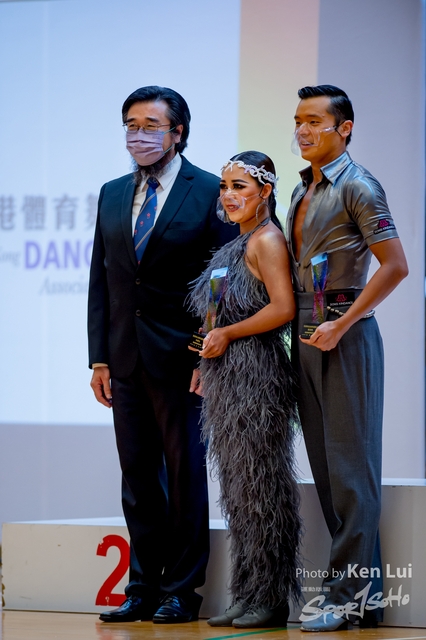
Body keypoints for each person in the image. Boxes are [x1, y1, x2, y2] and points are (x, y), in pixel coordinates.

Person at [88, 86, 238, 624]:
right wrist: (99, 359)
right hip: (124, 359)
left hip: (183, 360)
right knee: (137, 477)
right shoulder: (111, 192)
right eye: (131, 125)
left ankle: (182, 590)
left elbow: (222, 281)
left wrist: (206, 355)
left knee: (184, 474)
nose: (139, 135)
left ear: (178, 132)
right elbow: (102, 280)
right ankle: (141, 586)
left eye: (151, 126)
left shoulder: (209, 190)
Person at [287, 85, 408, 632]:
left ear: (345, 128)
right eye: (298, 120)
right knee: (330, 475)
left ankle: (343, 597)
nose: (303, 130)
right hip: (306, 334)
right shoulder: (301, 188)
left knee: (352, 475)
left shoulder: (359, 184)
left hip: (346, 334)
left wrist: (344, 322)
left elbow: (395, 266)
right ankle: (365, 600)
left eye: (315, 120)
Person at [189, 151, 302, 629]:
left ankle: (272, 598)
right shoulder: (237, 243)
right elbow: (218, 312)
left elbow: (283, 308)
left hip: (257, 376)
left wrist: (228, 335)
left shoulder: (268, 240)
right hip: (225, 376)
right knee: (237, 489)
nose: (229, 196)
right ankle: (247, 591)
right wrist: (205, 358)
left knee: (262, 488)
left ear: (265, 191)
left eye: (240, 187)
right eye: (224, 187)